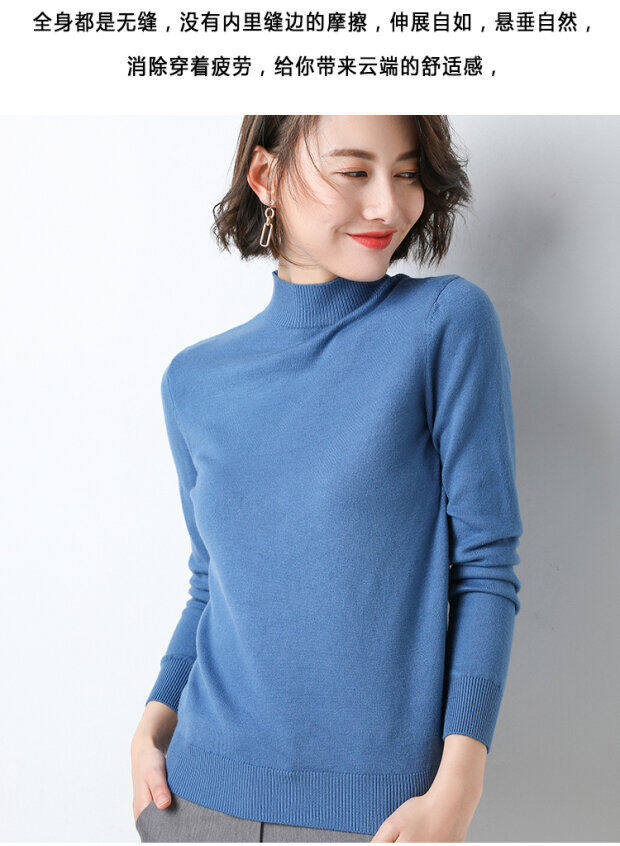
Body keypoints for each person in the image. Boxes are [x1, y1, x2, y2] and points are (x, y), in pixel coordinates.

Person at [130, 114, 523, 843]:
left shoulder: (445, 324)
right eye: (354, 171)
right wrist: (153, 720)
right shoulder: (195, 380)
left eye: (407, 174)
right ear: (266, 176)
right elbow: (212, 583)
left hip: (377, 819)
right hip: (193, 802)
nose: (388, 205)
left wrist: (458, 786)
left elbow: (485, 569)